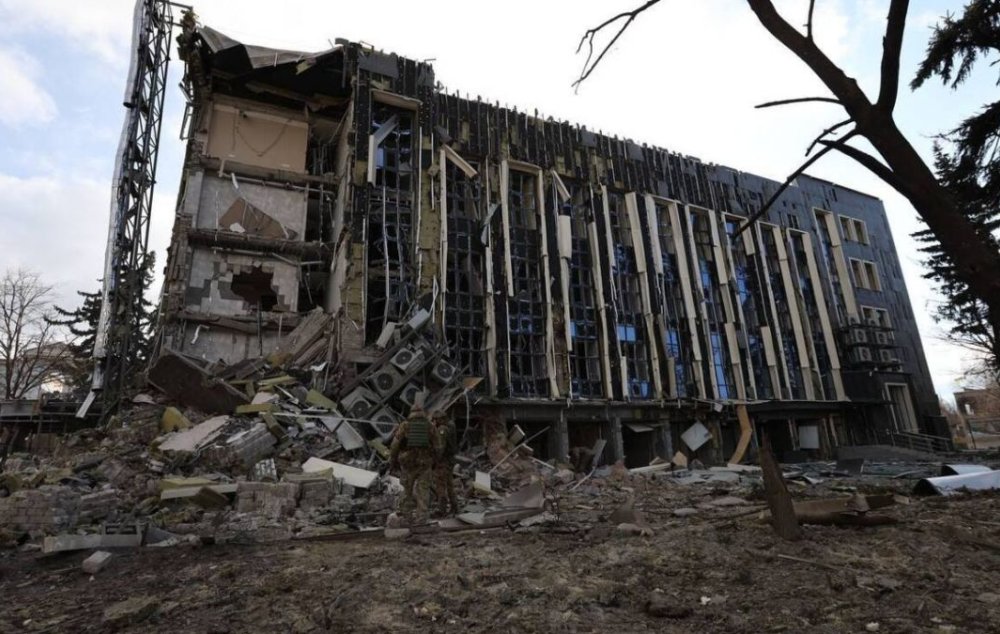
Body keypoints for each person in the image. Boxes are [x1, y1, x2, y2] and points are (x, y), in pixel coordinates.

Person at [389, 405, 437, 525]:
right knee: (423, 491)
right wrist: (434, 460)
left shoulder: (405, 426)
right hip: (424, 463)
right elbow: (438, 446)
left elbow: (395, 445)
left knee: (407, 491)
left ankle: (406, 517)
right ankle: (421, 518)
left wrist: (393, 461)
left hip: (408, 464)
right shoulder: (430, 426)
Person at [431, 411, 459, 517]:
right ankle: (454, 507)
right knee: (449, 484)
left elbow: (440, 448)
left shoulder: (442, 429)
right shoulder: (451, 425)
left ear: (441, 419)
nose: (435, 422)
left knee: (441, 485)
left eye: (436, 419)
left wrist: (435, 461)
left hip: (443, 461)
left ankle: (441, 509)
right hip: (450, 460)